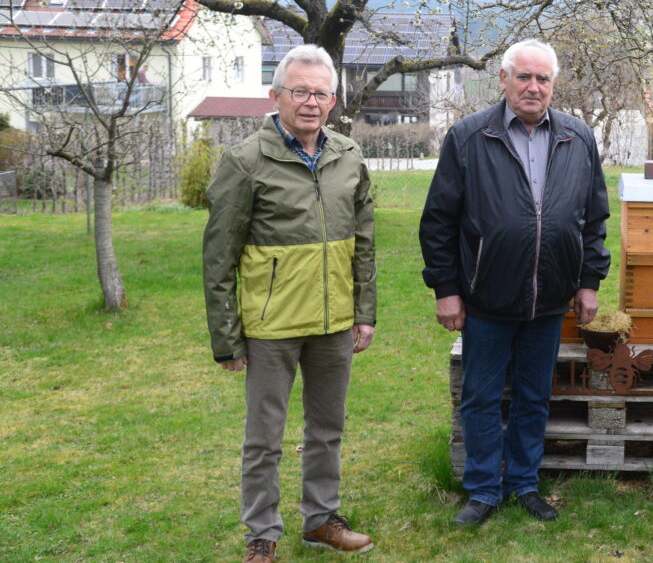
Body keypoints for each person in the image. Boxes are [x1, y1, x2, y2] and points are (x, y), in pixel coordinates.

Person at [419, 38, 611, 526]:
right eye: (523, 77)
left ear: (553, 85)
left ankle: (524, 482)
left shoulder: (577, 137)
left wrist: (588, 282)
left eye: (542, 79)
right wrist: (446, 290)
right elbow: (439, 222)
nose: (533, 87)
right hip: (485, 298)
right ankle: (483, 489)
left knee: (533, 396)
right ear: (503, 80)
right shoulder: (468, 137)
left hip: (550, 299)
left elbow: (594, 216)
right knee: (481, 397)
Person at [204, 45, 377, 562]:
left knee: (327, 429)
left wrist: (363, 312)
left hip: (333, 323)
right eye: (299, 91)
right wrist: (226, 338)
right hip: (270, 326)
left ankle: (321, 519)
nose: (310, 101)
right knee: (265, 438)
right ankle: (262, 532)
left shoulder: (348, 156)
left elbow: (364, 241)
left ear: (333, 100)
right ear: (275, 95)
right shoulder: (244, 161)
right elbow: (219, 257)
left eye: (320, 93)